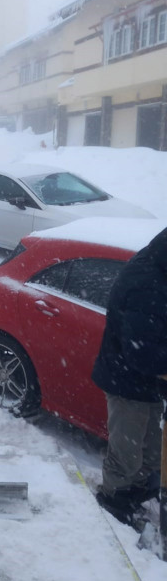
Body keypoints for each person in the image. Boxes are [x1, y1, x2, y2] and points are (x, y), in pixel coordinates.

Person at [92, 225, 167, 526]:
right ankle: (113, 501)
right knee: (127, 454)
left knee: (151, 452)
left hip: (149, 382)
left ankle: (137, 489)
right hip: (127, 380)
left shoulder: (159, 265)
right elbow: (141, 353)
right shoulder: (147, 285)